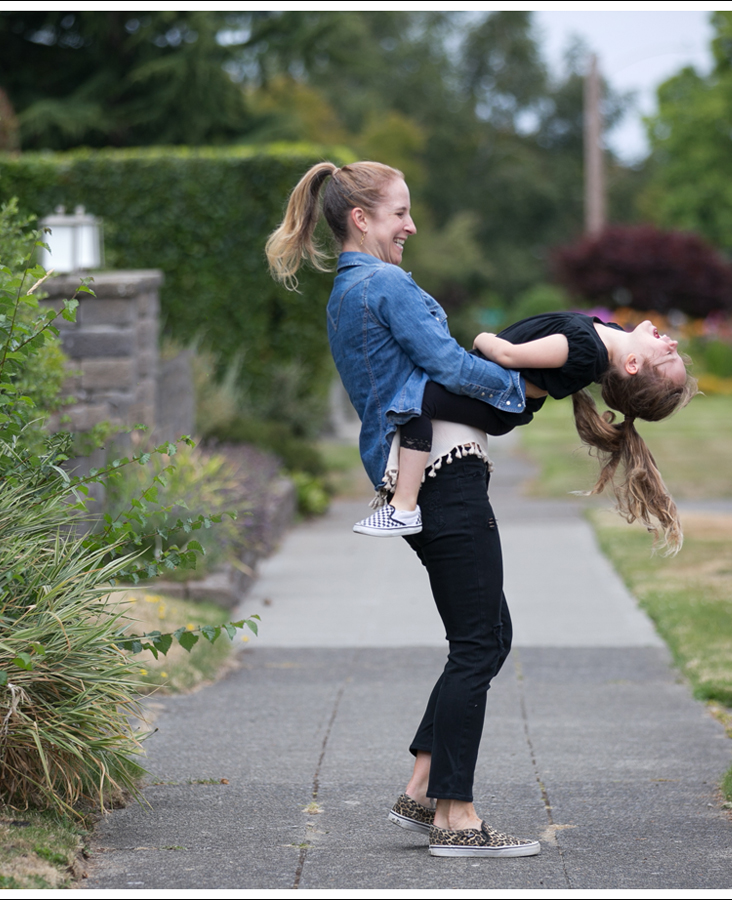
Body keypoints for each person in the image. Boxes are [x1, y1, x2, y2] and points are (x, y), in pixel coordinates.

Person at [266, 159, 546, 858]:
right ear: (360, 218)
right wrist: (525, 388)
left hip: (415, 473)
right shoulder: (385, 283)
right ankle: (456, 816)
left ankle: (425, 784)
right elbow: (449, 367)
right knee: (479, 641)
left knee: (490, 632)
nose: (410, 226)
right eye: (399, 213)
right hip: (443, 472)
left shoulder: (351, 289)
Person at [352, 311, 695, 555]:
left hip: (496, 403)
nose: (673, 342)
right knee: (416, 396)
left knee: (416, 403)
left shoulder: (587, 349)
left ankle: (404, 506)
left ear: (633, 365)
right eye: (674, 353)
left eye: (668, 357)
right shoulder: (609, 338)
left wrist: (479, 338)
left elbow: (506, 354)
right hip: (500, 399)